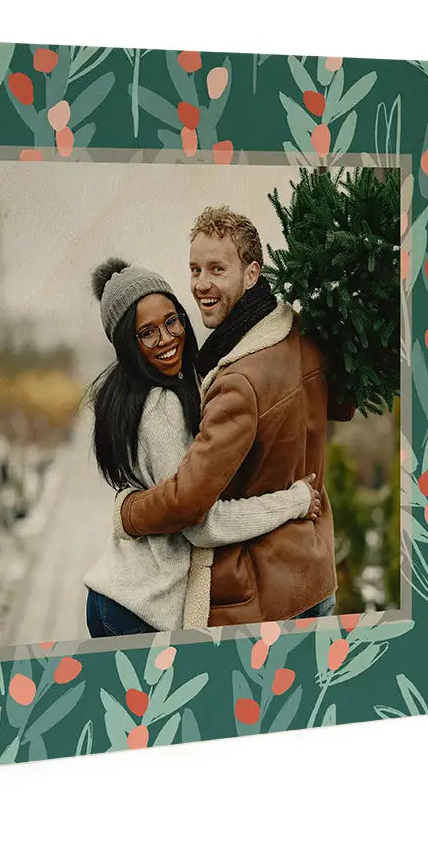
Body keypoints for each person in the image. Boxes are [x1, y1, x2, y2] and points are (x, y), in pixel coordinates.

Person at [117, 207, 355, 626]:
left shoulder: (236, 382)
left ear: (251, 273)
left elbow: (188, 504)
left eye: (216, 269)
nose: (201, 285)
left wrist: (128, 512)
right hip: (316, 574)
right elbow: (343, 405)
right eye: (194, 269)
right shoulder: (302, 336)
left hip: (259, 600)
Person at [83, 257, 321, 637]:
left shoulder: (141, 391)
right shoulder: (160, 407)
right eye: (147, 332)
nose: (166, 338)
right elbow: (201, 524)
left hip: (117, 599)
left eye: (172, 320)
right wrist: (294, 500)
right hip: (136, 610)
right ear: (127, 344)